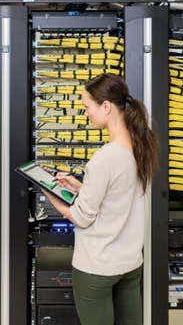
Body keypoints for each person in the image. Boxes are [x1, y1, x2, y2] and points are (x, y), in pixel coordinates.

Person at [41, 73, 158, 325]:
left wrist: (50, 195)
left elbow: (82, 217)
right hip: (129, 264)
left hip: (97, 268)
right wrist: (82, 186)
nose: (86, 114)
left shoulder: (104, 158)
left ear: (106, 107)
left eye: (87, 107)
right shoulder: (139, 149)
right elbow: (118, 196)